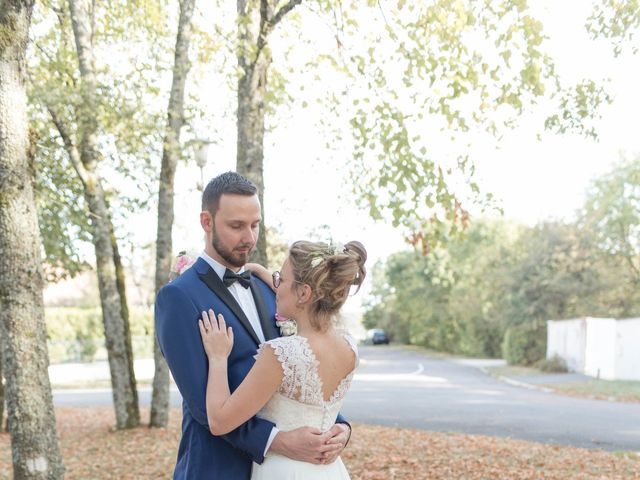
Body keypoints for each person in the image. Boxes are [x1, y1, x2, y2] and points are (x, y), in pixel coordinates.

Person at [155, 172, 352, 479]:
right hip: (218, 468)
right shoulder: (178, 297)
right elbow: (203, 409)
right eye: (236, 226)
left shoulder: (270, 290)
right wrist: (278, 442)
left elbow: (301, 370)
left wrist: (338, 426)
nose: (249, 237)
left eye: (255, 224)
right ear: (207, 222)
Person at [198, 239, 366, 479]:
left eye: (282, 280)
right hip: (330, 470)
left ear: (304, 292)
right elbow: (298, 296)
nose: (275, 286)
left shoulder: (281, 355)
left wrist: (218, 357)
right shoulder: (349, 347)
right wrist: (257, 270)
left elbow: (219, 422)